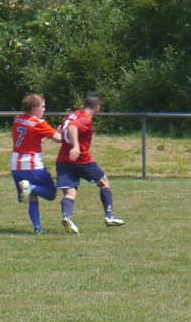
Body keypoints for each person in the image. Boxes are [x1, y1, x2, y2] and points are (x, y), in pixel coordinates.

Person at [56, 92, 125, 234]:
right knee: (104, 183)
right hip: (82, 160)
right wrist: (76, 146)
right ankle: (109, 216)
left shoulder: (72, 115)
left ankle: (67, 218)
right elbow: (73, 127)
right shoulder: (85, 119)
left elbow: (64, 128)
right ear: (97, 107)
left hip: (63, 160)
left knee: (69, 192)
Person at [11, 94, 62, 234]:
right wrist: (62, 132)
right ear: (34, 107)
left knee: (31, 197)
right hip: (32, 165)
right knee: (51, 194)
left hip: (16, 164)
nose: (44, 110)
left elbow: (31, 137)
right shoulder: (39, 123)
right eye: (42, 106)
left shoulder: (18, 119)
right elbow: (59, 139)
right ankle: (30, 186)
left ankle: (38, 228)